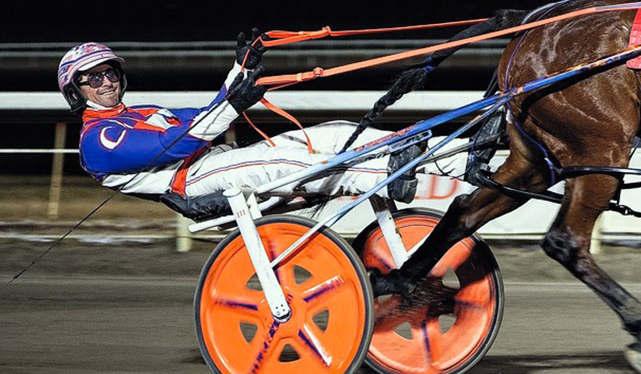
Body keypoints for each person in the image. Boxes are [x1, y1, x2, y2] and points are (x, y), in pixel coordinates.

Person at [58, 35, 421, 220]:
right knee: (291, 163)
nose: (106, 82)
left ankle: (414, 147)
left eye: (110, 73)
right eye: (94, 78)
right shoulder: (97, 139)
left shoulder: (144, 112)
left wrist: (241, 67)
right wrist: (234, 104)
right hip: (194, 181)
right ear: (76, 92)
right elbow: (175, 145)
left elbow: (209, 113)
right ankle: (386, 175)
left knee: (332, 132)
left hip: (217, 161)